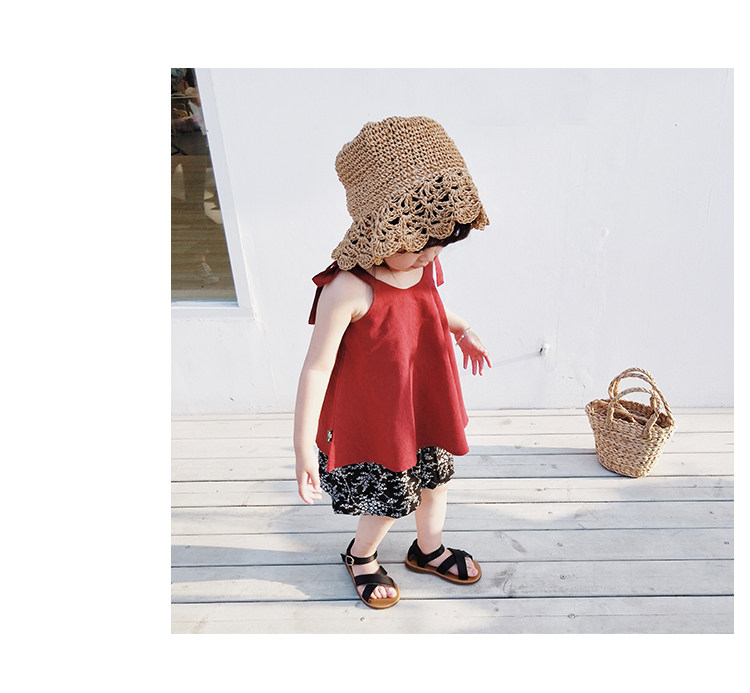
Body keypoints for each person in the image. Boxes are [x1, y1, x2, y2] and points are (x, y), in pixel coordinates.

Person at [293, 116, 491, 609]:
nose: (430, 256)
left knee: (436, 482)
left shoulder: (421, 262)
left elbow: (427, 308)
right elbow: (317, 367)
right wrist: (301, 447)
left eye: (439, 244)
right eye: (420, 245)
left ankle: (428, 548)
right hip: (383, 419)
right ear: (383, 230)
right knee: (389, 499)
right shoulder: (349, 289)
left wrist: (461, 329)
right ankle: (361, 555)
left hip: (425, 403)